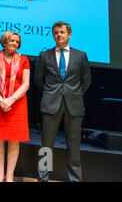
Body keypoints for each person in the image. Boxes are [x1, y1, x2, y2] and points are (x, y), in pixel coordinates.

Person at [35, 21, 91, 182]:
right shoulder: (45, 56)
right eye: (56, 33)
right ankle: (43, 178)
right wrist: (51, 93)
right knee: (46, 146)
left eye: (62, 32)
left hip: (74, 106)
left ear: (69, 34)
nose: (59, 35)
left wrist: (74, 94)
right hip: (51, 104)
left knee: (74, 146)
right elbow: (38, 80)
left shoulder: (80, 56)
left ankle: (75, 179)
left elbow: (86, 81)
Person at [0, 31, 30, 182]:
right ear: (4, 42)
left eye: (17, 42)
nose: (14, 44)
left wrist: (11, 100)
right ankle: (0, 174)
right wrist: (0, 100)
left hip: (17, 104)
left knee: (14, 139)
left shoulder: (24, 60)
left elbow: (26, 84)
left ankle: (9, 175)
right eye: (11, 40)